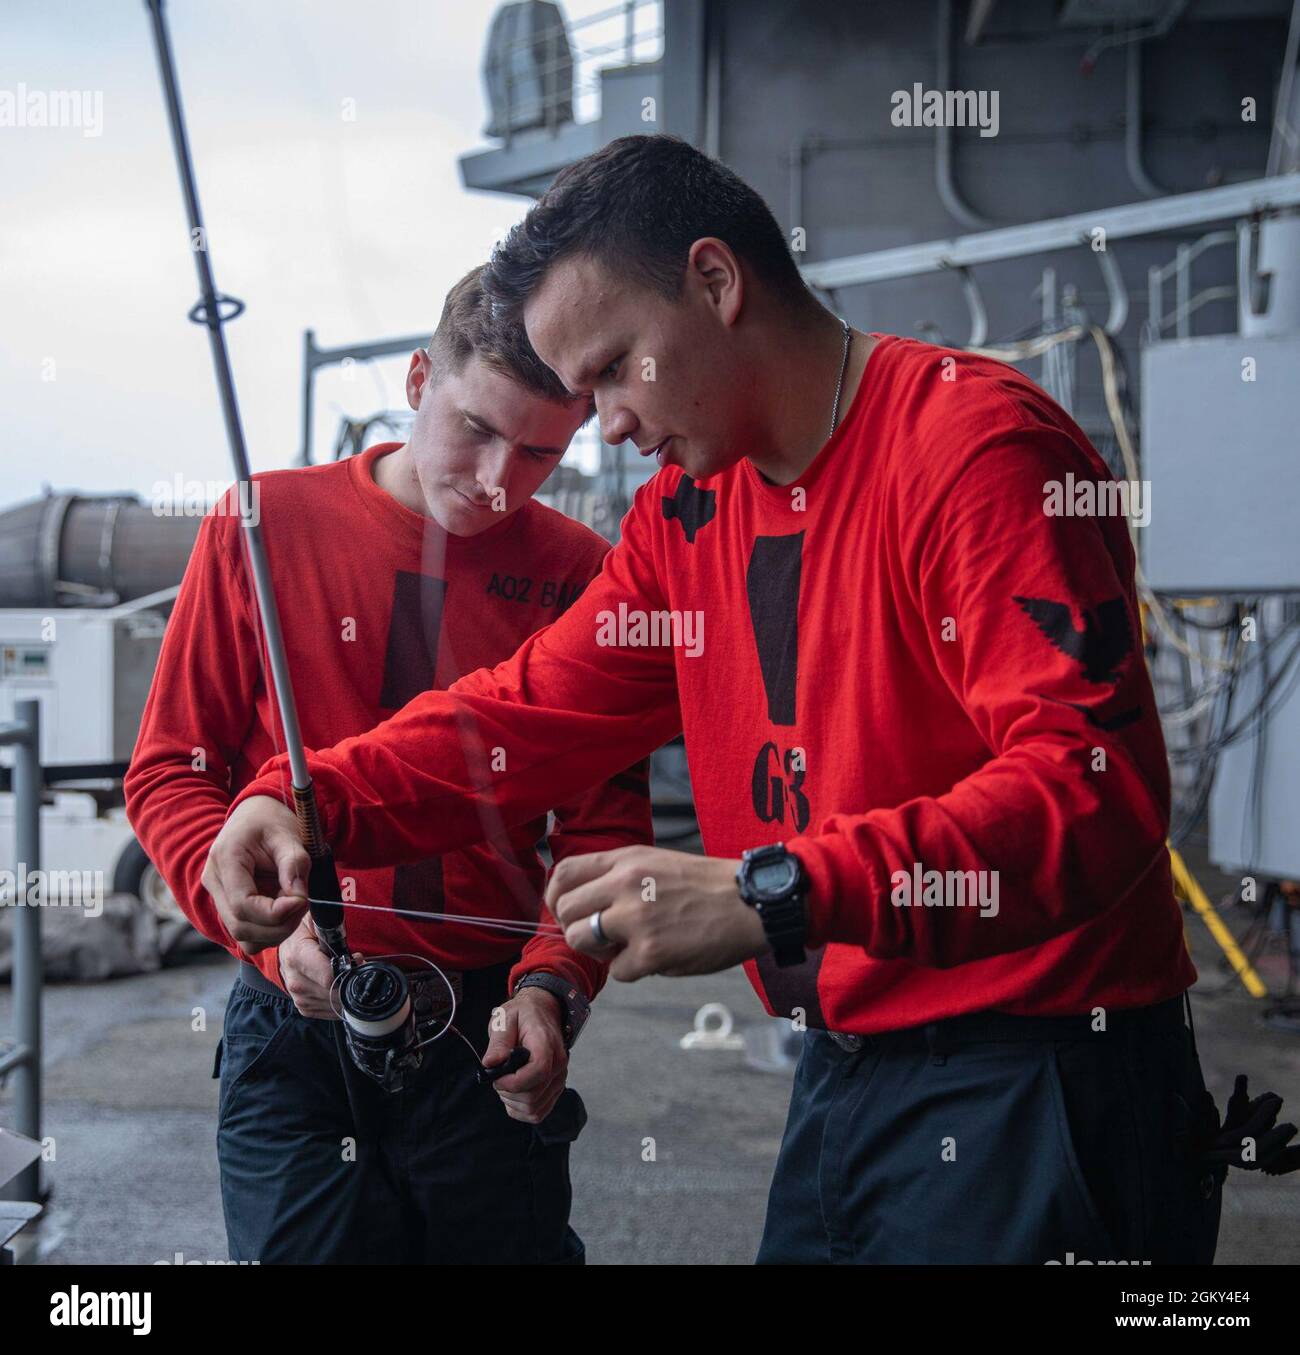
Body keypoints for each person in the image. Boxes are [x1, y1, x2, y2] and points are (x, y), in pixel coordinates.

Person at [201, 135, 1221, 1264]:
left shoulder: (975, 451)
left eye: (611, 368)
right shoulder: (693, 513)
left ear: (717, 281)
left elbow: (1092, 794)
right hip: (843, 1070)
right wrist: (308, 801)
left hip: (1039, 1079)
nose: (608, 424)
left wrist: (771, 890)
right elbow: (524, 712)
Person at [125, 265, 652, 1265]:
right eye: (474, 428)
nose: (498, 474)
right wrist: (266, 941)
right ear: (417, 380)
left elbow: (601, 831)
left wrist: (552, 983)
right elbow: (169, 769)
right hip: (293, 1030)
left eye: (540, 450)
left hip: (489, 1022)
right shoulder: (256, 524)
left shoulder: (583, 573)